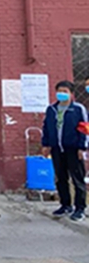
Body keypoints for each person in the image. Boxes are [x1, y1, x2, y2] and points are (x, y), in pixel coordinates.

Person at [42, 80, 88, 221]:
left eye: (65, 91)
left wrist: (82, 147)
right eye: (59, 91)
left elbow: (84, 128)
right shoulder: (51, 109)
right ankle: (65, 205)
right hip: (57, 148)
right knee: (61, 178)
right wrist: (46, 144)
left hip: (73, 148)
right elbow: (46, 128)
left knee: (77, 179)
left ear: (71, 93)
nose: (61, 94)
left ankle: (80, 208)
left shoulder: (78, 109)